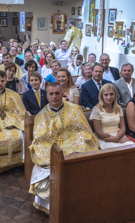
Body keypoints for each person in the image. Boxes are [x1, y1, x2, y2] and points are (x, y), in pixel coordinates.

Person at [29, 82, 99, 213]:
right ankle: (55, 208)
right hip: (54, 153)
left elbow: (85, 132)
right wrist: (60, 154)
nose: (54, 96)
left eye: (57, 93)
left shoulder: (75, 109)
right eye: (51, 94)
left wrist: (77, 150)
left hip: (77, 151)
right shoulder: (41, 115)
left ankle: (81, 204)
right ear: (47, 96)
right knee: (47, 179)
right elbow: (40, 141)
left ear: (62, 94)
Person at [90, 84, 135, 149]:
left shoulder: (118, 108)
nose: (109, 97)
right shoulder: (97, 109)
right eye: (106, 94)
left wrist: (117, 137)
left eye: (111, 94)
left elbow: (123, 128)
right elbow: (98, 132)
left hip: (119, 136)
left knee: (132, 147)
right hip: (104, 138)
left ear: (115, 95)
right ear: (102, 96)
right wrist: (115, 140)